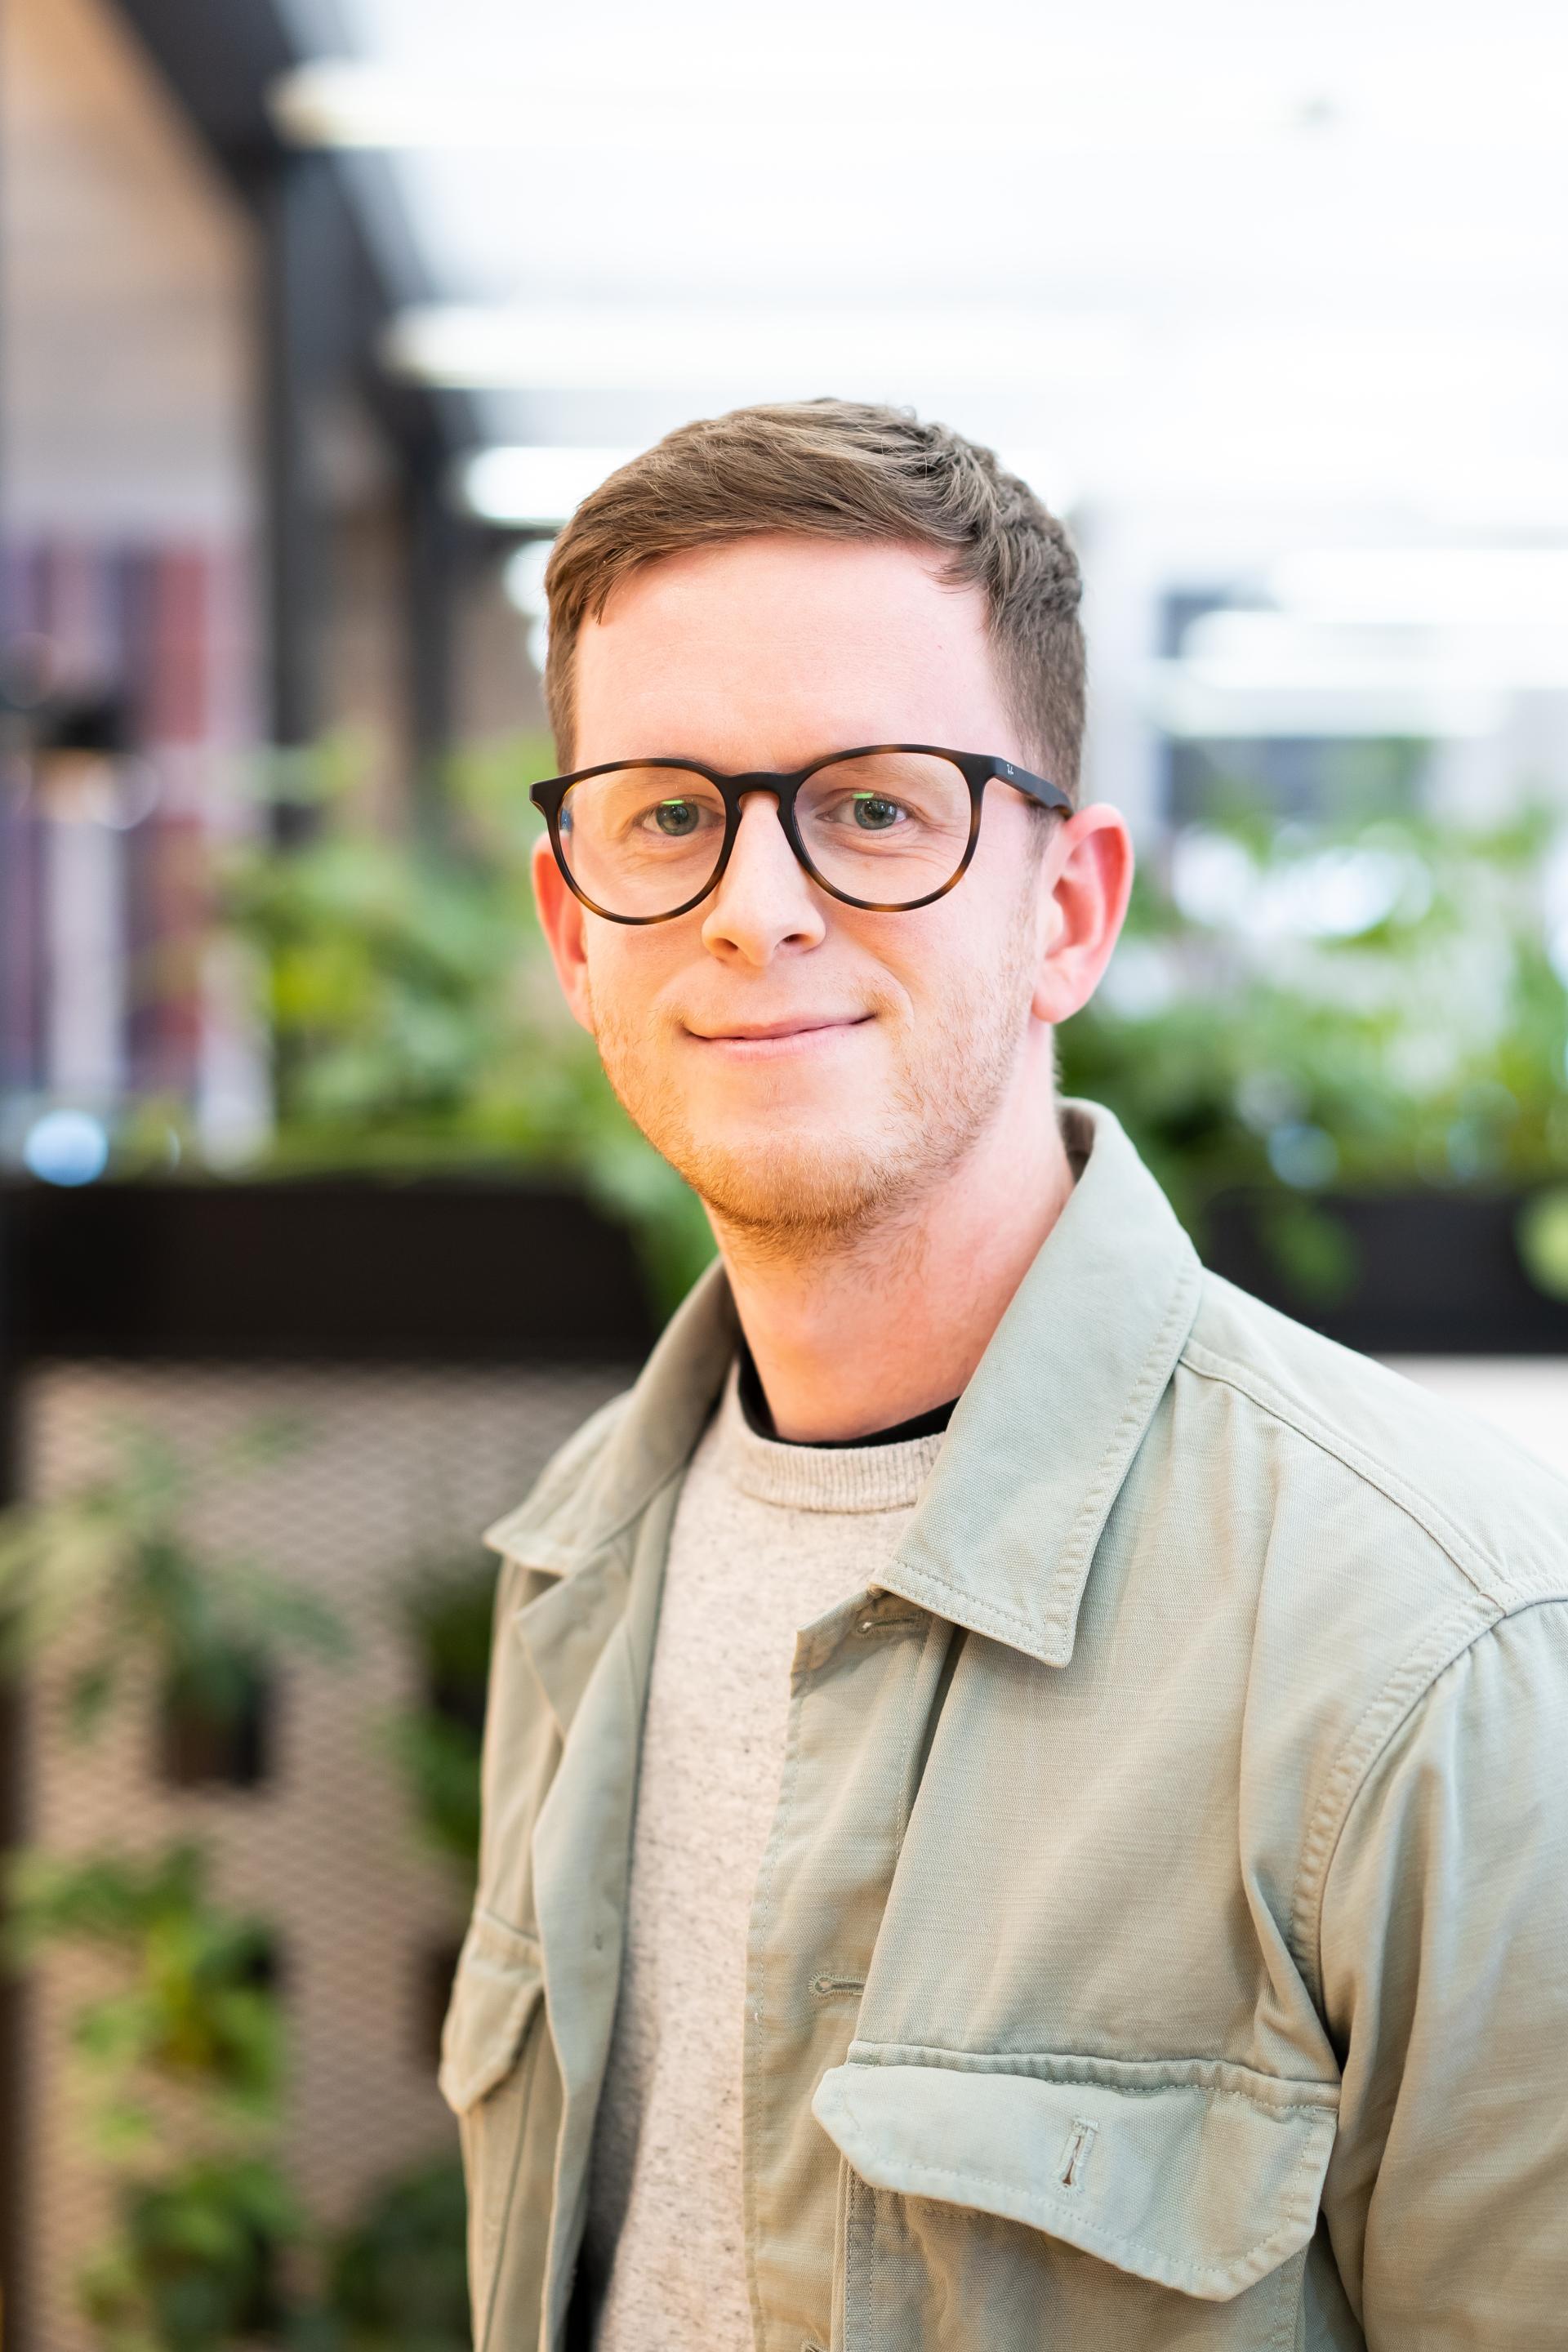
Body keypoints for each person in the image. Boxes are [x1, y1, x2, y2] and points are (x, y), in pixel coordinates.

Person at [437, 399, 1568, 2352]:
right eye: (666, 813)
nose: (755, 903)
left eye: (875, 805)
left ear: (1068, 910)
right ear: (571, 928)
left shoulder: (1428, 1643)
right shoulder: (581, 1573)